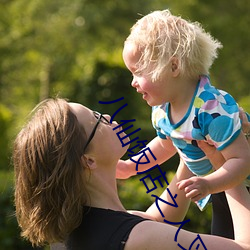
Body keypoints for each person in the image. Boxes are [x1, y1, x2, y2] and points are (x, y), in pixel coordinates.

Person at [13, 98, 250, 250]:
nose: (107, 117)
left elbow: (160, 219)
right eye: (97, 120)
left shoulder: (78, 232)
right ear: (88, 160)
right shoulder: (138, 238)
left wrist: (190, 137)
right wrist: (227, 165)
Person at [120, 9, 250, 239]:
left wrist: (209, 184)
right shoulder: (162, 109)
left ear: (173, 67)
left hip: (239, 186)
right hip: (220, 189)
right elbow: (166, 144)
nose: (132, 82)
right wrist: (131, 166)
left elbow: (242, 160)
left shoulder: (211, 109)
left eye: (138, 72)